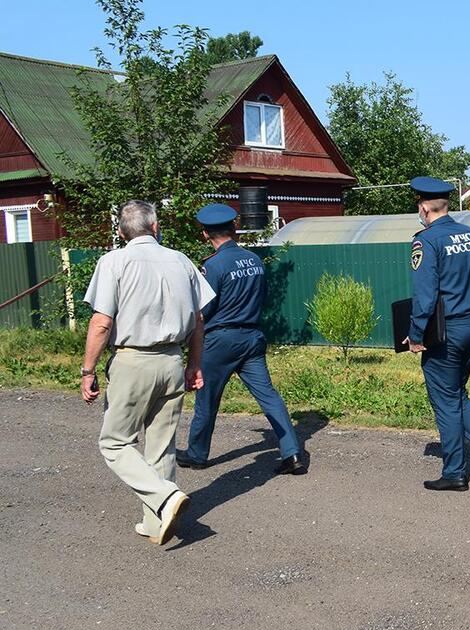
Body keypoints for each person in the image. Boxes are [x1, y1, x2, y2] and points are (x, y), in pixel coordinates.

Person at [79, 200, 212, 546]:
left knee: (114, 442)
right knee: (161, 445)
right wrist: (194, 363)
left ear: (121, 232)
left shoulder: (114, 261)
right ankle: (156, 524)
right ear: (155, 227)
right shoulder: (181, 260)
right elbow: (199, 320)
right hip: (171, 360)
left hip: (132, 361)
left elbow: (101, 322)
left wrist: (87, 370)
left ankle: (165, 497)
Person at [178, 203, 304, 475]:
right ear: (234, 229)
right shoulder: (254, 260)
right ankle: (292, 453)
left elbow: (205, 308)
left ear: (205, 235)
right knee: (269, 396)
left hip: (220, 340)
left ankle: (197, 454)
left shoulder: (212, 265)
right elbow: (264, 296)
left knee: (207, 398)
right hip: (252, 336)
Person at [404, 176, 470, 491]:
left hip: (445, 332)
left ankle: (455, 473)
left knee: (444, 401)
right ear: (445, 204)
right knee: (456, 393)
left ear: (423, 207)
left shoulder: (427, 240)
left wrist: (416, 333)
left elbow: (425, 294)